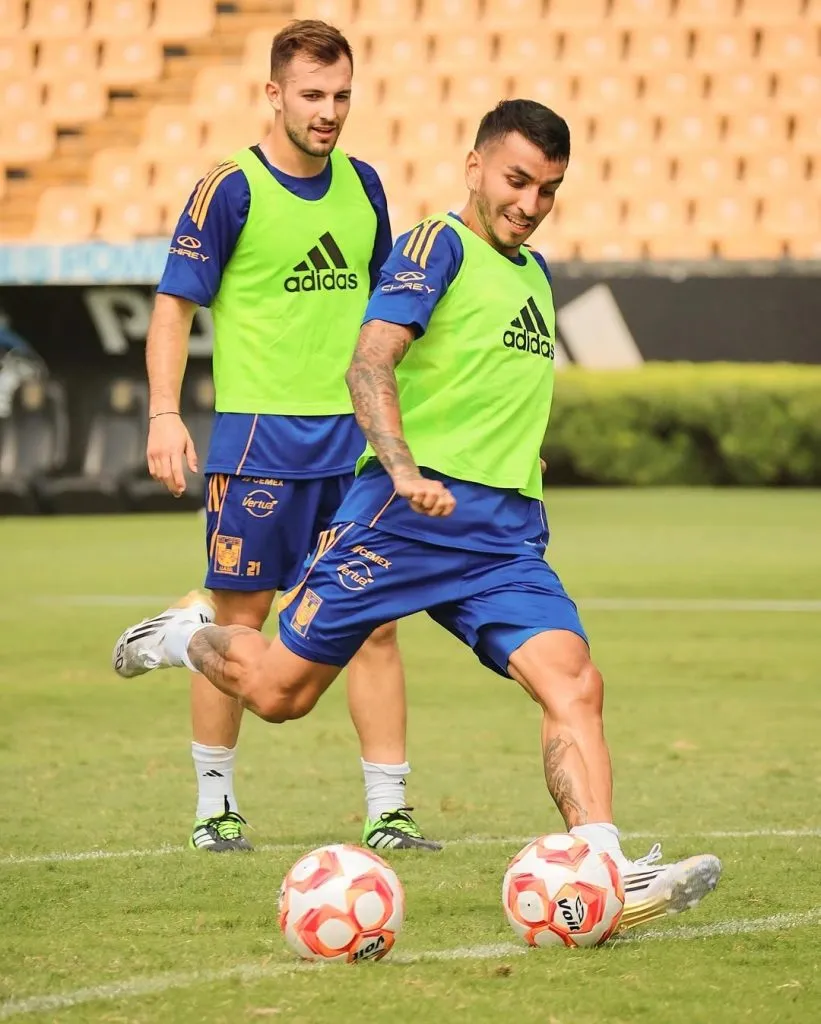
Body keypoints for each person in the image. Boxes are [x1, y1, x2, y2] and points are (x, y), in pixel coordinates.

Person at [114, 99, 721, 928]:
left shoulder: (534, 274)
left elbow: (490, 389)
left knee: (574, 680)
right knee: (283, 694)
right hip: (397, 521)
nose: (529, 204)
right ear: (473, 167)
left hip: (500, 539)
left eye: (548, 189)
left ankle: (605, 864)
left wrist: (523, 462)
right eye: (516, 181)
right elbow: (369, 363)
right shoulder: (434, 246)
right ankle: (185, 635)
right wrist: (398, 466)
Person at [143, 19, 438, 853]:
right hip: (257, 443)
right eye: (312, 95)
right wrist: (165, 413)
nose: (329, 111)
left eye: (342, 95)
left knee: (375, 619)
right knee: (240, 622)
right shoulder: (227, 188)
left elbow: (389, 321)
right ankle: (214, 807)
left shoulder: (366, 186)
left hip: (352, 446)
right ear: (273, 94)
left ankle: (388, 810)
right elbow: (173, 306)